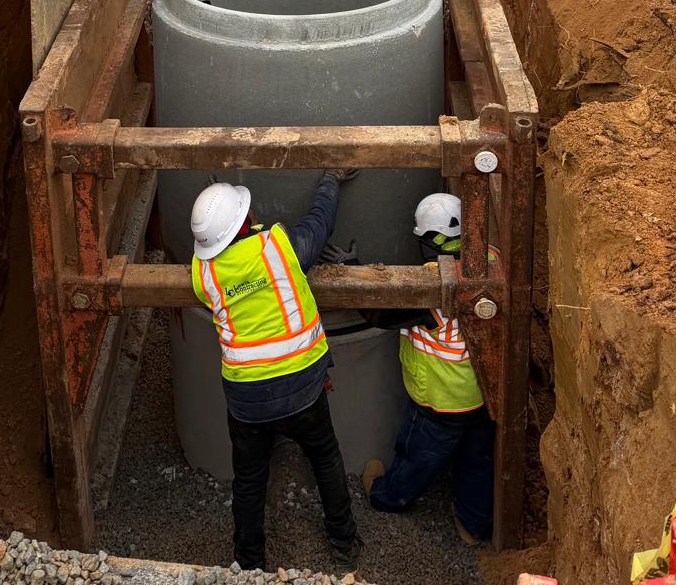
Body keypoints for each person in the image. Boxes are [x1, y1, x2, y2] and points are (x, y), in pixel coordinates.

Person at [190, 173, 361, 572]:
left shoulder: (203, 276)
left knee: (249, 481)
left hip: (247, 400)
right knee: (325, 459)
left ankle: (249, 565)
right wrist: (330, 181)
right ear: (245, 222)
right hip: (302, 387)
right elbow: (320, 222)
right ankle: (344, 544)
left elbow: (222, 259)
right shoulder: (279, 247)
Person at [360, 192, 495, 546]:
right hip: (484, 394)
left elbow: (378, 314)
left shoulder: (432, 288)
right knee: (476, 460)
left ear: (426, 241)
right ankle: (473, 525)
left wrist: (354, 271)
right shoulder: (491, 259)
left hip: (441, 401)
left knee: (416, 457)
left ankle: (387, 497)